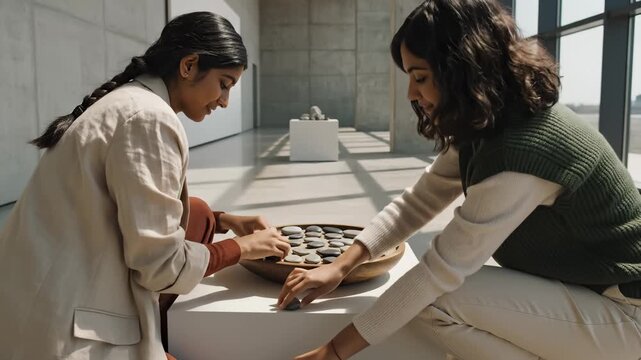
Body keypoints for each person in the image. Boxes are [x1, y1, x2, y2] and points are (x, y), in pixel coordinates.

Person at [277, 1, 641, 359]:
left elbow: (439, 272)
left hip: (627, 311)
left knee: (435, 299)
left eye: (420, 77)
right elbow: (418, 202)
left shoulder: (523, 150)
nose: (411, 94)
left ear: (460, 69)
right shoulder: (493, 121)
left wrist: (332, 353)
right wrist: (339, 266)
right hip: (591, 290)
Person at [0, 11, 290, 359]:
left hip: (32, 301)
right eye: (224, 84)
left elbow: (136, 204)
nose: (225, 101)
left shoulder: (129, 101)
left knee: (196, 211)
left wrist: (225, 221)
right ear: (189, 65)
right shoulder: (149, 118)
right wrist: (243, 248)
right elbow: (162, 269)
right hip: (63, 333)